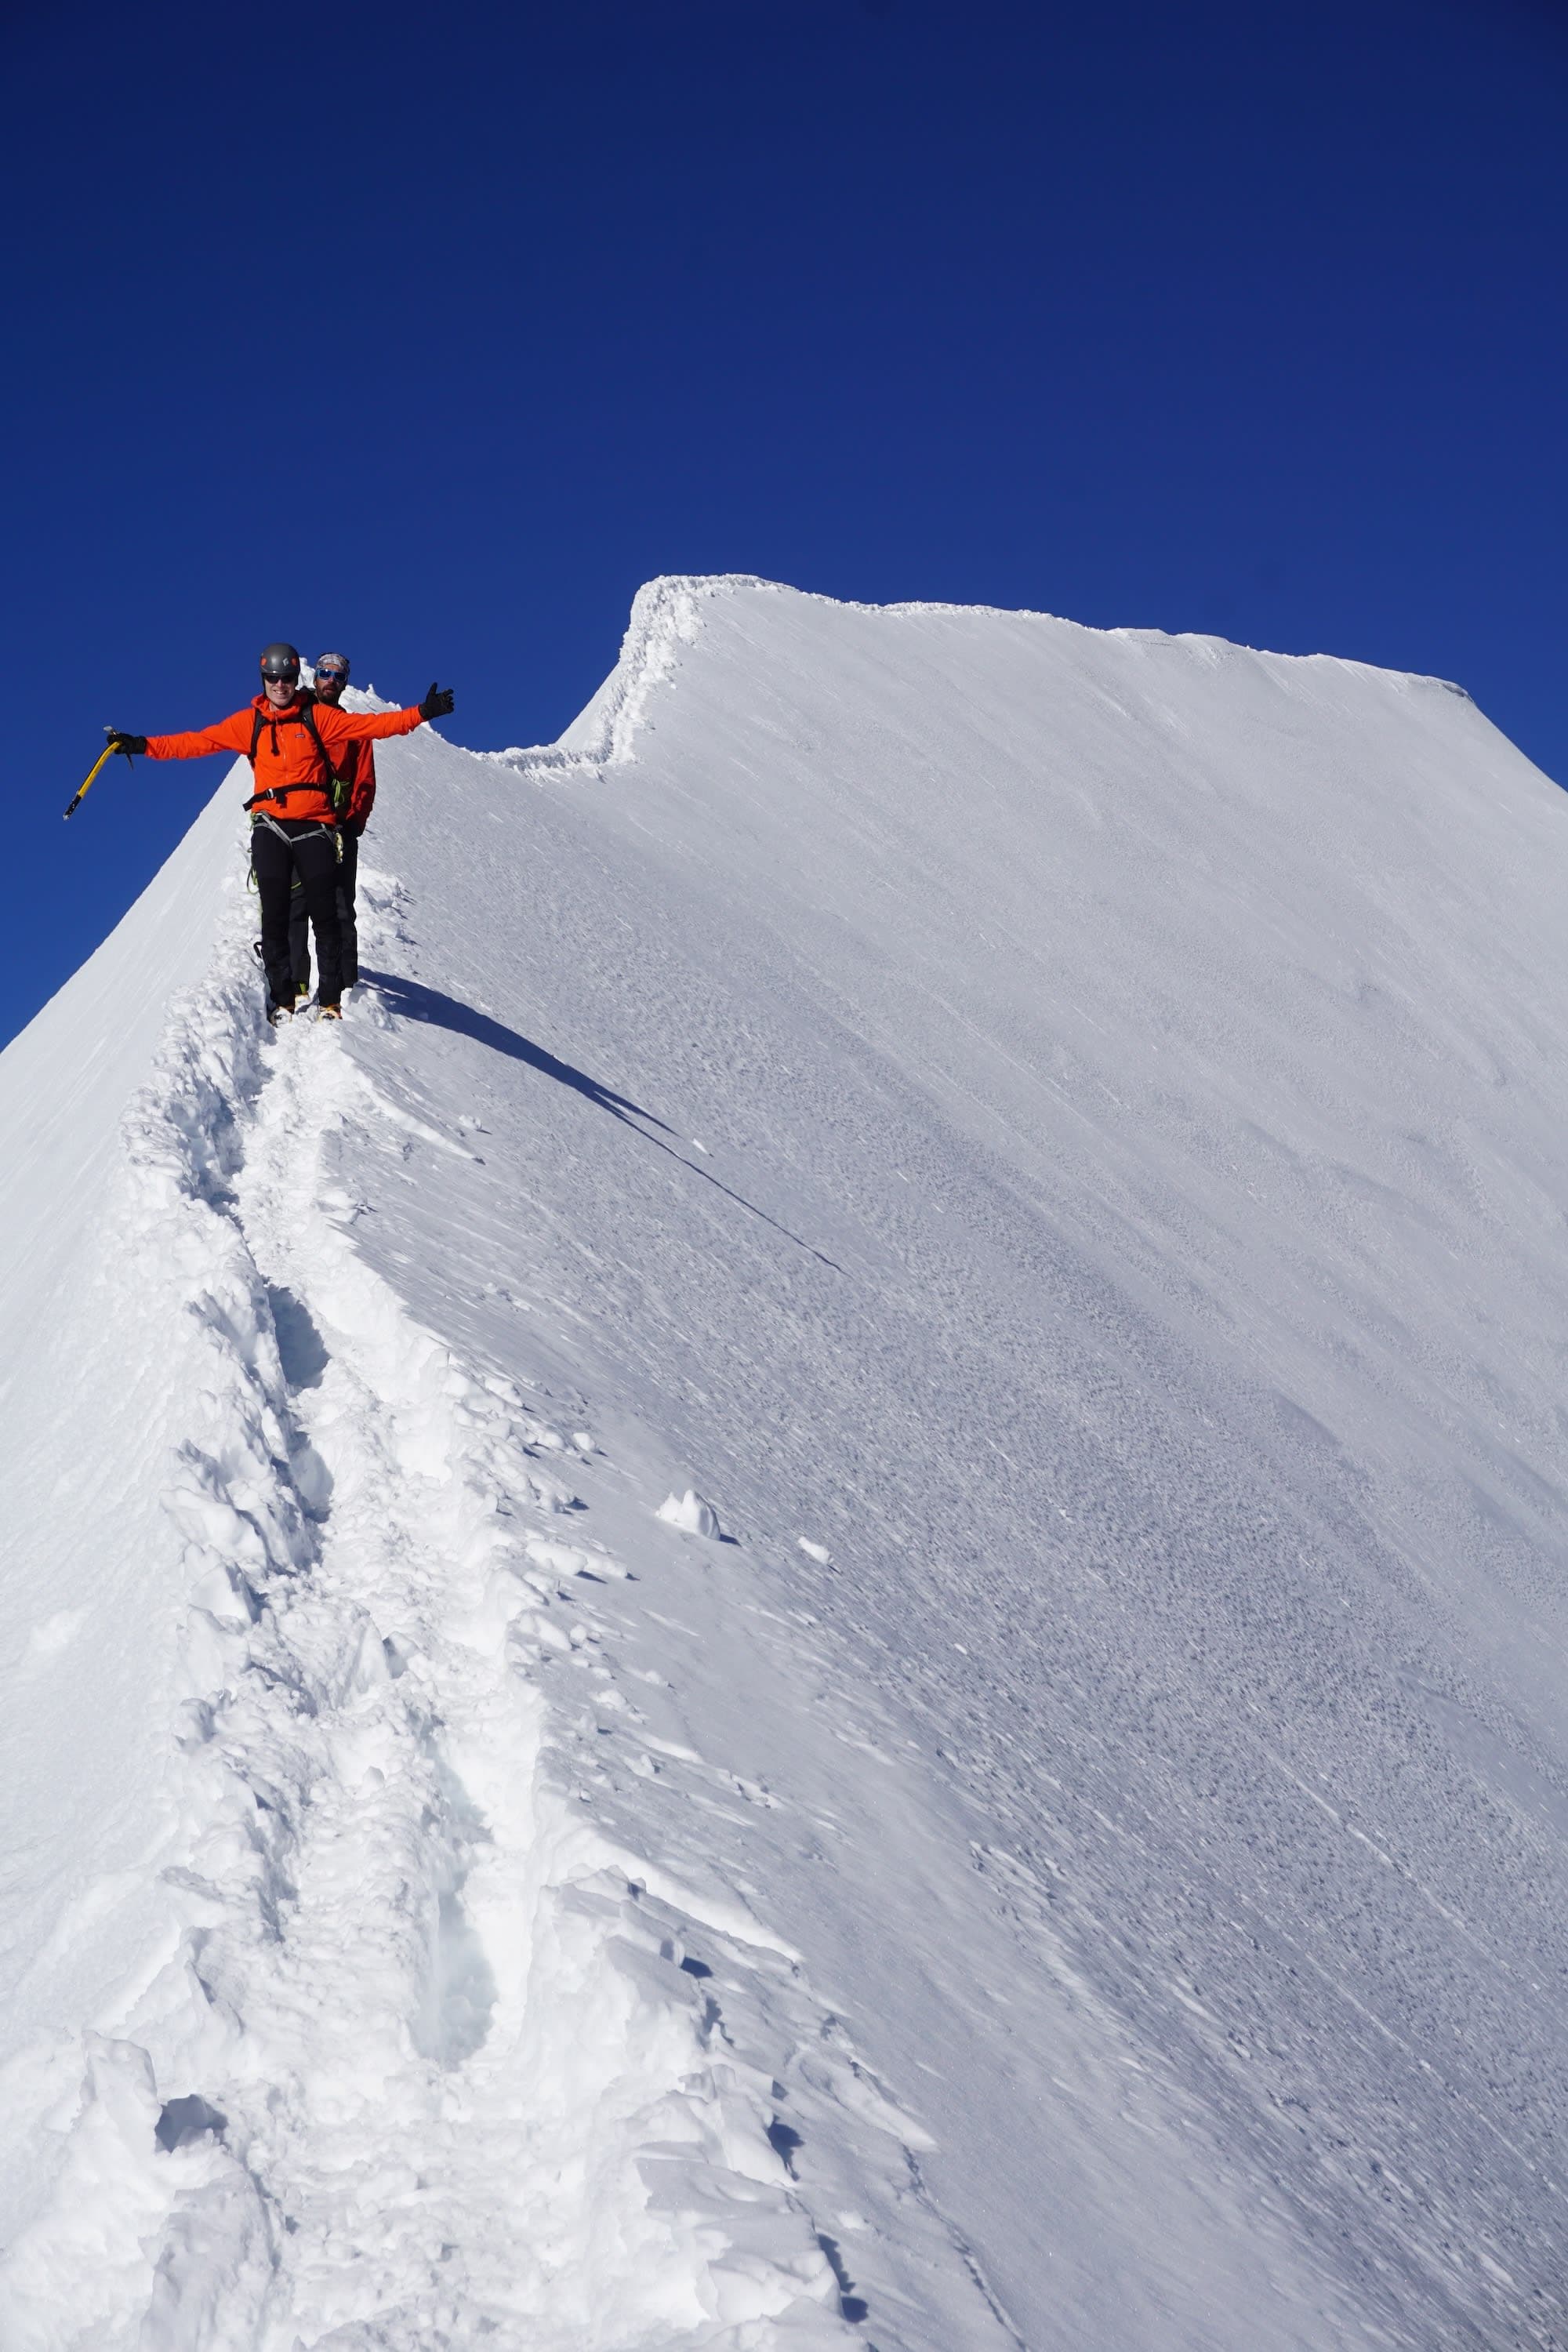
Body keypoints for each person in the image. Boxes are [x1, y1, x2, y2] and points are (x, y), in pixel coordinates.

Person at [108, 645, 452, 1024]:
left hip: (315, 826)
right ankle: (284, 997)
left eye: (287, 679)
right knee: (274, 914)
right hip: (270, 825)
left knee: (325, 915)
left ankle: (330, 999)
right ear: (264, 681)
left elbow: (373, 727)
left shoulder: (319, 717)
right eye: (273, 679)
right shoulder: (249, 723)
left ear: (296, 680)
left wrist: (421, 713)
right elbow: (197, 742)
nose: (280, 686)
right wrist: (141, 745)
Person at [288, 651, 374, 1000]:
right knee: (295, 905)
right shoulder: (295, 717)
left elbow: (364, 781)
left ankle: (343, 982)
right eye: (325, 673)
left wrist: (352, 823)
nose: (331, 680)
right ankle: (296, 983)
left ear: (345, 683)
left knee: (339, 905)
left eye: (338, 676)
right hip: (296, 823)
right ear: (315, 676)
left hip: (338, 829)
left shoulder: (356, 731)